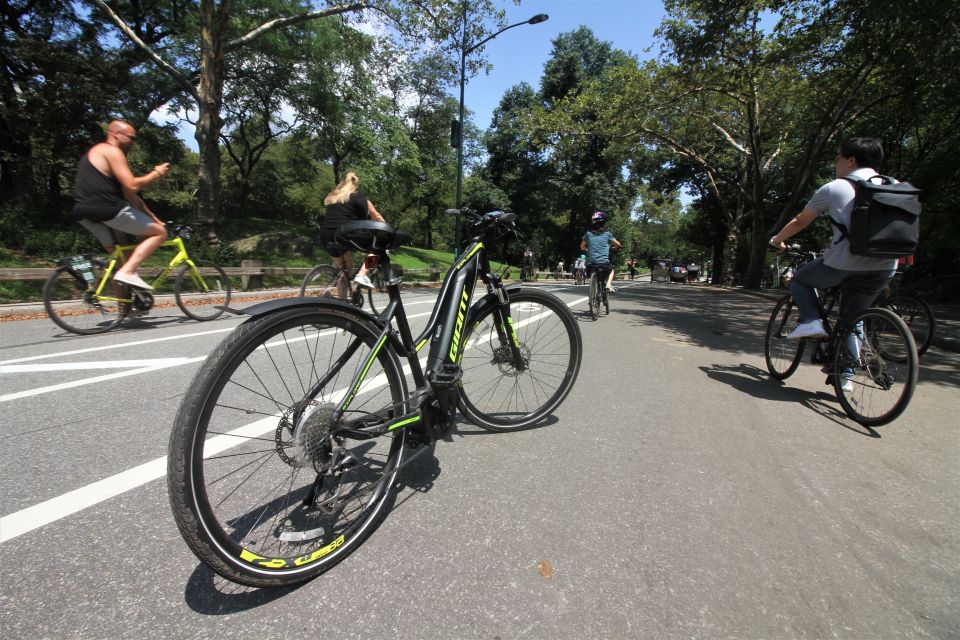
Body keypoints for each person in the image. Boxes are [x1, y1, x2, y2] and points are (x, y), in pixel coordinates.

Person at [770, 137, 899, 389]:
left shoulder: (836, 187)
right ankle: (846, 375)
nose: (836, 163)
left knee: (800, 279)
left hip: (843, 263)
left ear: (851, 160)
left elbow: (800, 221)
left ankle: (812, 321)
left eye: (838, 157)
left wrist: (776, 239)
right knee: (854, 317)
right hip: (885, 266)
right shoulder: (896, 186)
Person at [70, 120, 170, 290]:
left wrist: (154, 218)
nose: (133, 142)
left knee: (121, 260)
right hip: (107, 208)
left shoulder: (96, 154)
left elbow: (132, 196)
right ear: (116, 134)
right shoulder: (111, 151)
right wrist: (156, 173)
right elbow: (132, 185)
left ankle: (125, 308)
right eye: (131, 138)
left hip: (84, 212)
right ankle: (129, 272)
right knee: (160, 234)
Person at [320, 171, 385, 289]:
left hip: (326, 235)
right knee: (380, 248)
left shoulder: (333, 197)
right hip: (346, 234)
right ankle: (362, 273)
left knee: (344, 269)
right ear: (355, 185)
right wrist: (386, 228)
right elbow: (376, 215)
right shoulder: (359, 196)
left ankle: (341, 304)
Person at [580, 211, 621, 292]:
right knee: (611, 269)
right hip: (604, 264)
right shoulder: (607, 234)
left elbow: (582, 247)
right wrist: (616, 248)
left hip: (590, 265)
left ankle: (594, 287)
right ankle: (608, 285)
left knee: (592, 269)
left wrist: (587, 250)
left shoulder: (588, 234)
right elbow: (618, 244)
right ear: (604, 222)